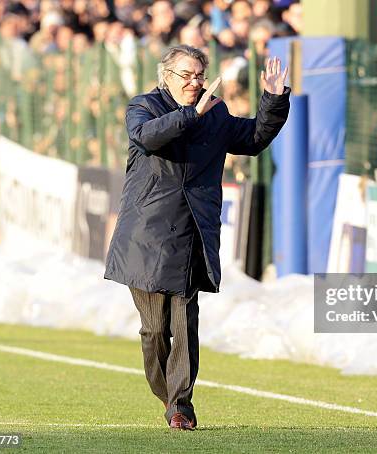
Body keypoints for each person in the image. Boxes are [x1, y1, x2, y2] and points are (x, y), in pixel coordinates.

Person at [104, 45, 290, 430]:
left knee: (185, 326)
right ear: (166, 76)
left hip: (192, 233)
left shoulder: (215, 112)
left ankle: (181, 407)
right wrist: (191, 114)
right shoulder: (144, 106)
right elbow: (147, 137)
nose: (195, 82)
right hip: (147, 238)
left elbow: (253, 139)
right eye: (186, 75)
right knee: (155, 331)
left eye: (199, 76)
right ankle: (168, 396)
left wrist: (272, 100)